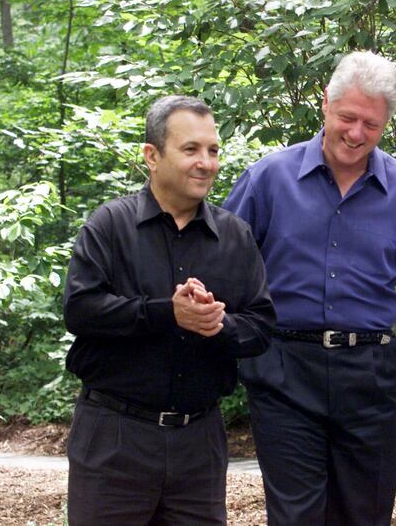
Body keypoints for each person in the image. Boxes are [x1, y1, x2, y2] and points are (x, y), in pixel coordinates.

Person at [222, 51, 396, 525]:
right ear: (324, 103)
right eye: (347, 117)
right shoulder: (269, 179)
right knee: (296, 517)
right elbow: (219, 261)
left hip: (371, 377)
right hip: (285, 371)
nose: (356, 133)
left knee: (364, 516)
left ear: (386, 121)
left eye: (371, 124)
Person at [63, 95, 275, 525]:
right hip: (115, 438)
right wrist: (166, 313)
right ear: (152, 155)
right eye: (191, 149)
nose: (206, 163)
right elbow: (81, 310)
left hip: (199, 443)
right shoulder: (108, 226)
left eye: (213, 150)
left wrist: (219, 324)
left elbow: (262, 326)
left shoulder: (235, 237)